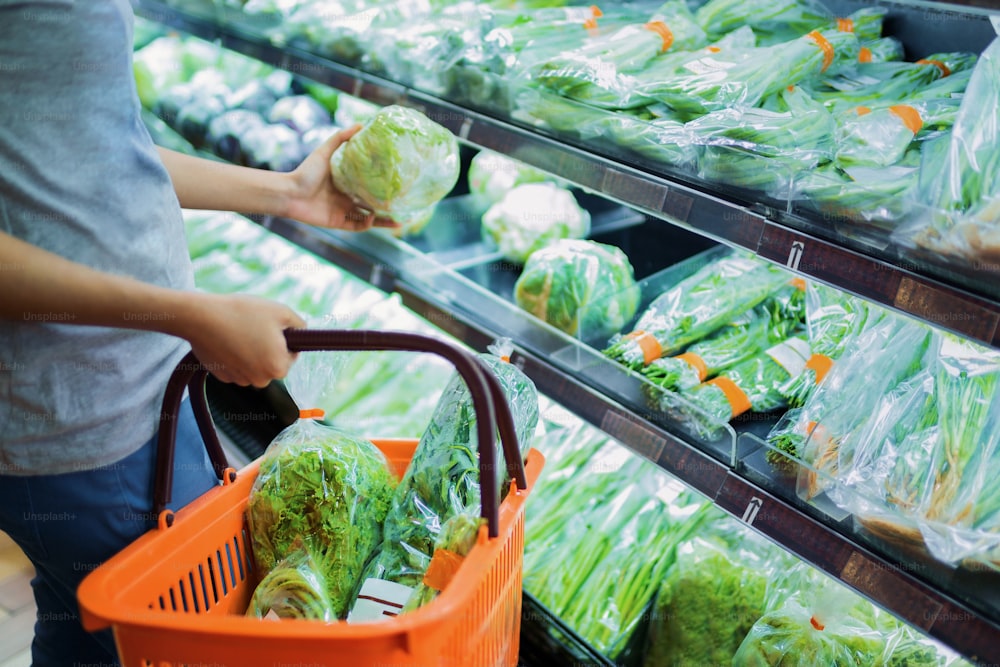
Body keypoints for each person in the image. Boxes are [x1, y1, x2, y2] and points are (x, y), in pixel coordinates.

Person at [0, 2, 396, 665]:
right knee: (166, 641)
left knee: (88, 632)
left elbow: (85, 153)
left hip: (118, 393)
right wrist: (187, 313)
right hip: (84, 417)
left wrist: (289, 192)